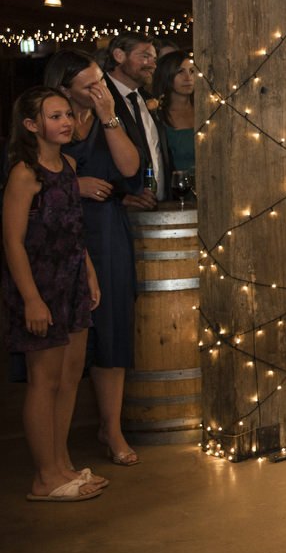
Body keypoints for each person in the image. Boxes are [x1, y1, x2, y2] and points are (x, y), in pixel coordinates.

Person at [4, 87, 106, 502]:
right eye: (55, 116)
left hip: (72, 280)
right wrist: (31, 298)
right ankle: (44, 477)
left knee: (68, 378)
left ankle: (61, 464)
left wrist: (90, 274)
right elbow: (12, 241)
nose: (66, 122)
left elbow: (73, 228)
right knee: (43, 382)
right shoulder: (24, 174)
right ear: (32, 125)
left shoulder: (67, 164)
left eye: (67, 114)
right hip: (39, 284)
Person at [43, 49, 142, 467]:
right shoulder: (49, 117)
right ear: (63, 89)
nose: (99, 90)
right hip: (59, 233)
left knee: (113, 331)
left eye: (101, 80)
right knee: (62, 341)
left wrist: (108, 116)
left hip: (105, 230)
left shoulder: (110, 114)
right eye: (89, 86)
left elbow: (133, 171)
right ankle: (54, 447)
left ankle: (111, 428)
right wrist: (73, 185)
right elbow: (30, 175)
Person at [103, 32, 175, 206]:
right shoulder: (101, 98)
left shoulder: (145, 98)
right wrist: (120, 196)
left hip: (159, 206)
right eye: (145, 56)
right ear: (119, 56)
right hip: (117, 212)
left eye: (154, 59)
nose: (152, 65)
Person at [151, 50, 195, 187]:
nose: (188, 78)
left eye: (192, 71)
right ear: (167, 75)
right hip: (175, 189)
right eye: (180, 72)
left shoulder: (207, 111)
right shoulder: (157, 116)